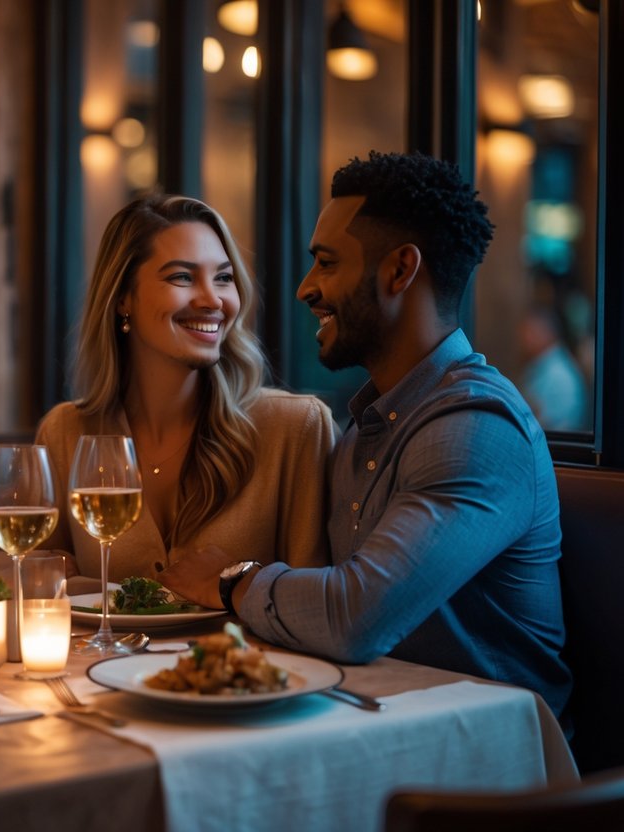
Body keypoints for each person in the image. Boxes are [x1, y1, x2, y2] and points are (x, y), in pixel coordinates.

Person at [164, 151, 570, 719]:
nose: (306, 288)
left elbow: (354, 618)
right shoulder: (367, 429)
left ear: (400, 270)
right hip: (374, 726)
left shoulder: (477, 426)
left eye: (327, 263)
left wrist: (232, 580)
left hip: (489, 768)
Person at [36, 194, 335, 584]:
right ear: (123, 297)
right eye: (181, 277)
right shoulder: (65, 433)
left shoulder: (296, 429)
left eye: (223, 278)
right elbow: (37, 577)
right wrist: (46, 572)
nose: (213, 300)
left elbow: (313, 604)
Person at [517, 304, 588, 432]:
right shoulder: (545, 365)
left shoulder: (558, 374)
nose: (524, 339)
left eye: (529, 332)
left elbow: (536, 422)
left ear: (545, 332)